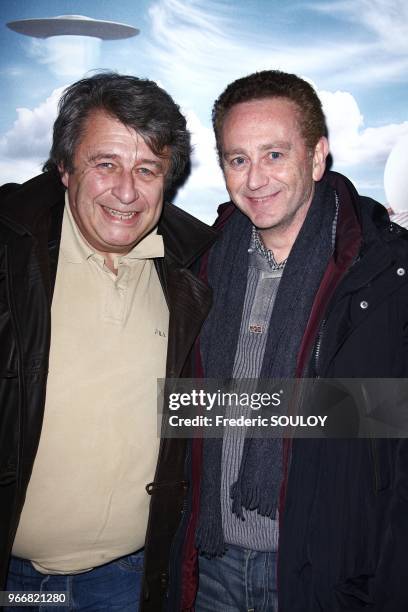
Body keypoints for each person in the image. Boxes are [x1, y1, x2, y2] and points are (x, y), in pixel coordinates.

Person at [168, 71, 408, 611]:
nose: (255, 179)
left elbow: (393, 447)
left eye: (275, 154)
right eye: (237, 159)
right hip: (206, 567)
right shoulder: (197, 268)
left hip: (326, 573)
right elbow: (185, 416)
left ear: (318, 156)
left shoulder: (386, 275)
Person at [0, 72, 216, 611]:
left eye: (147, 169)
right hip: (15, 585)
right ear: (65, 169)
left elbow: (217, 408)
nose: (126, 191)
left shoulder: (196, 269)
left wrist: (364, 411)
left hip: (131, 582)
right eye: (106, 164)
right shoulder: (8, 254)